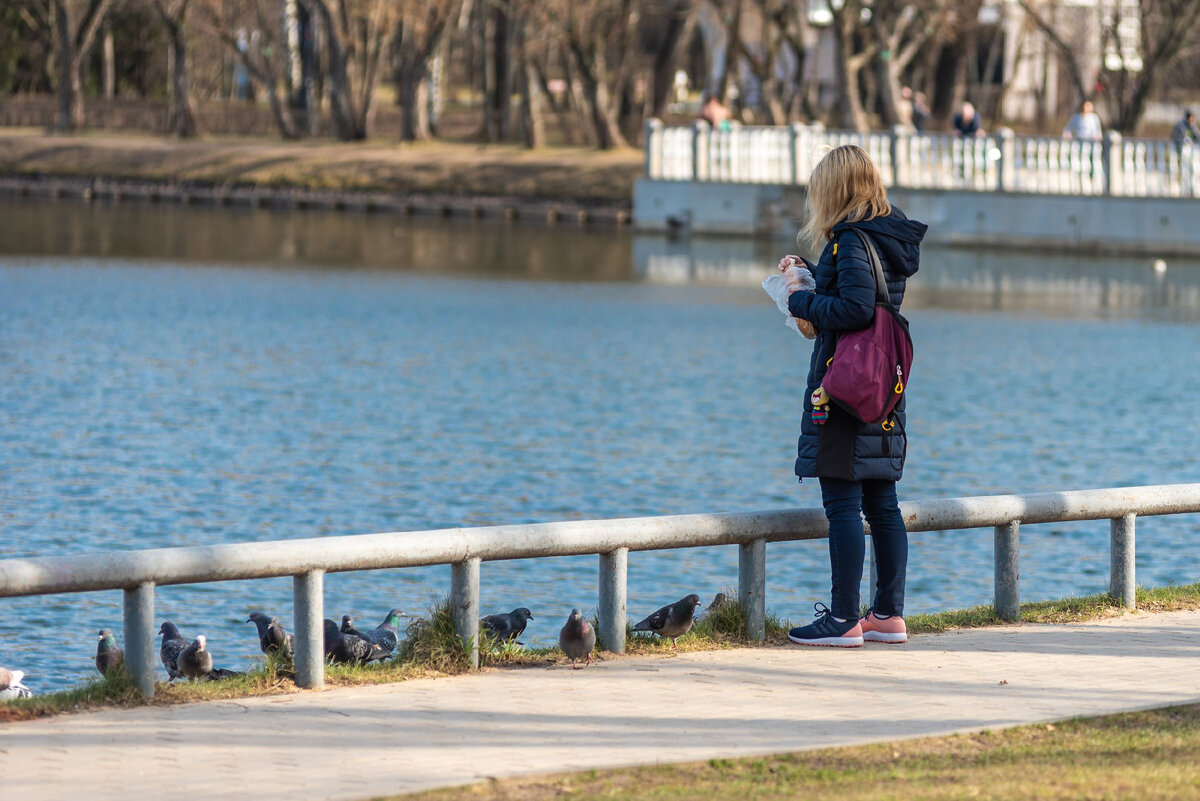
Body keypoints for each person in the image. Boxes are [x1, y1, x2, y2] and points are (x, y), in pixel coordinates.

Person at [783, 144, 927, 647]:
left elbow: (856, 310)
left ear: (837, 188)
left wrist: (800, 299)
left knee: (843, 503)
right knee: (881, 502)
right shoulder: (885, 238)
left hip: (843, 389)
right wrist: (811, 271)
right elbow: (865, 295)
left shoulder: (849, 238)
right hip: (881, 386)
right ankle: (887, 614)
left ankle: (843, 618)